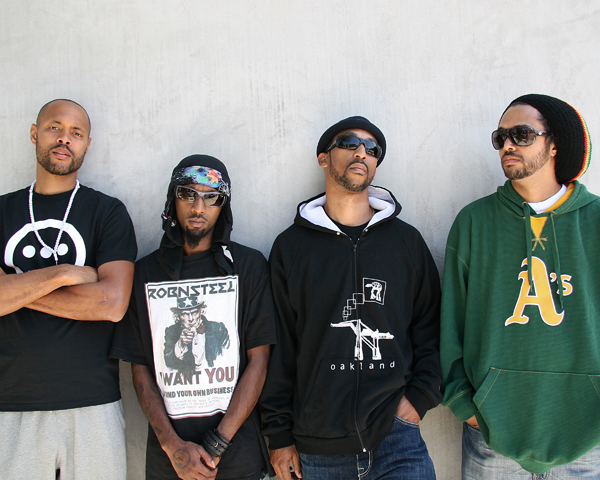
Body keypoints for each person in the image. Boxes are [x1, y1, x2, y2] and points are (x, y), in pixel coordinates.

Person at [261, 116, 442, 479]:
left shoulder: (405, 242)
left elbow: (432, 326)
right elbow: (279, 347)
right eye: (349, 143)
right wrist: (278, 435)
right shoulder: (291, 248)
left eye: (372, 149)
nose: (362, 152)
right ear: (323, 158)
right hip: (319, 447)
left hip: (397, 439)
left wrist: (419, 398)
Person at [441, 94, 600, 478]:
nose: (507, 145)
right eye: (501, 137)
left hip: (587, 435)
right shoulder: (474, 222)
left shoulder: (596, 220)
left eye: (522, 135)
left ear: (555, 143)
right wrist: (465, 404)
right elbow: (451, 322)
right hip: (491, 432)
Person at [113, 155, 277, 480]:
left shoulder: (249, 266)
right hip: (169, 463)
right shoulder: (145, 273)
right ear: (172, 199)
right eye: (187, 193)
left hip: (237, 459)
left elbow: (259, 361)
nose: (198, 207)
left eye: (211, 197)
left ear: (223, 206)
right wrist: (174, 447)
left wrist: (216, 445)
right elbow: (140, 369)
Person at [0, 99, 137, 480]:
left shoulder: (107, 212)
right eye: (54, 127)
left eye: (76, 133)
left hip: (92, 404)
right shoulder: (2, 212)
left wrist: (16, 288)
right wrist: (63, 274)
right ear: (34, 134)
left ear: (87, 144)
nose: (64, 138)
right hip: (11, 405)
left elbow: (111, 303)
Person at [163, 296, 230, 371]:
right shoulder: (171, 331)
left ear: (201, 311)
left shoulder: (218, 329)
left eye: (194, 313)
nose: (191, 319)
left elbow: (228, 358)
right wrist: (181, 344)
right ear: (178, 316)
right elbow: (168, 363)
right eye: (185, 314)